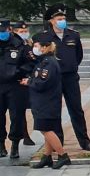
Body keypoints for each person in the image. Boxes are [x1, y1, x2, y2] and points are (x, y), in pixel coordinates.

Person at [35, 7, 90, 152]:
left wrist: (71, 67)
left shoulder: (73, 35)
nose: (62, 21)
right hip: (53, 79)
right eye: (59, 19)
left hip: (70, 77)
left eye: (63, 19)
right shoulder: (44, 37)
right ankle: (57, 141)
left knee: (76, 109)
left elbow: (78, 55)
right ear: (51, 21)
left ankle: (84, 141)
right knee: (55, 111)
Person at [26, 34, 69, 169]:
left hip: (46, 102)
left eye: (36, 46)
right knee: (48, 129)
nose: (34, 48)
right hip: (44, 101)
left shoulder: (49, 63)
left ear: (45, 47)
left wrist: (29, 81)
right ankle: (47, 156)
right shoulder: (44, 61)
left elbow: (42, 83)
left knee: (45, 129)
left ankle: (63, 155)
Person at [0, 19, 34, 163]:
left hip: (15, 85)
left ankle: (15, 144)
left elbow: (30, 63)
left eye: (3, 30)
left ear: (9, 30)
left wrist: (18, 72)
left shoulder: (20, 44)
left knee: (17, 116)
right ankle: (1, 145)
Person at [12, 22, 35, 147]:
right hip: (19, 81)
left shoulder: (28, 43)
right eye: (21, 31)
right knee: (19, 111)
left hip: (29, 80)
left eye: (25, 31)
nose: (24, 33)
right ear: (15, 31)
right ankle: (24, 135)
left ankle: (26, 135)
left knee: (27, 109)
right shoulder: (14, 44)